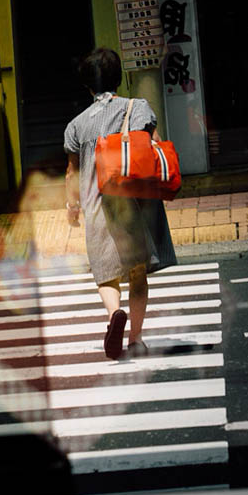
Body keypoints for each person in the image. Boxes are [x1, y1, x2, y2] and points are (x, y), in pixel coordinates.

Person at [64, 47, 176, 360]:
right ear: (120, 78)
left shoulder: (76, 125)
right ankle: (136, 339)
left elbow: (72, 171)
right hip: (135, 202)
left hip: (97, 203)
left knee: (105, 271)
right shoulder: (138, 108)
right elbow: (147, 145)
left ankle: (115, 313)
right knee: (137, 272)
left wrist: (71, 206)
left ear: (88, 85)